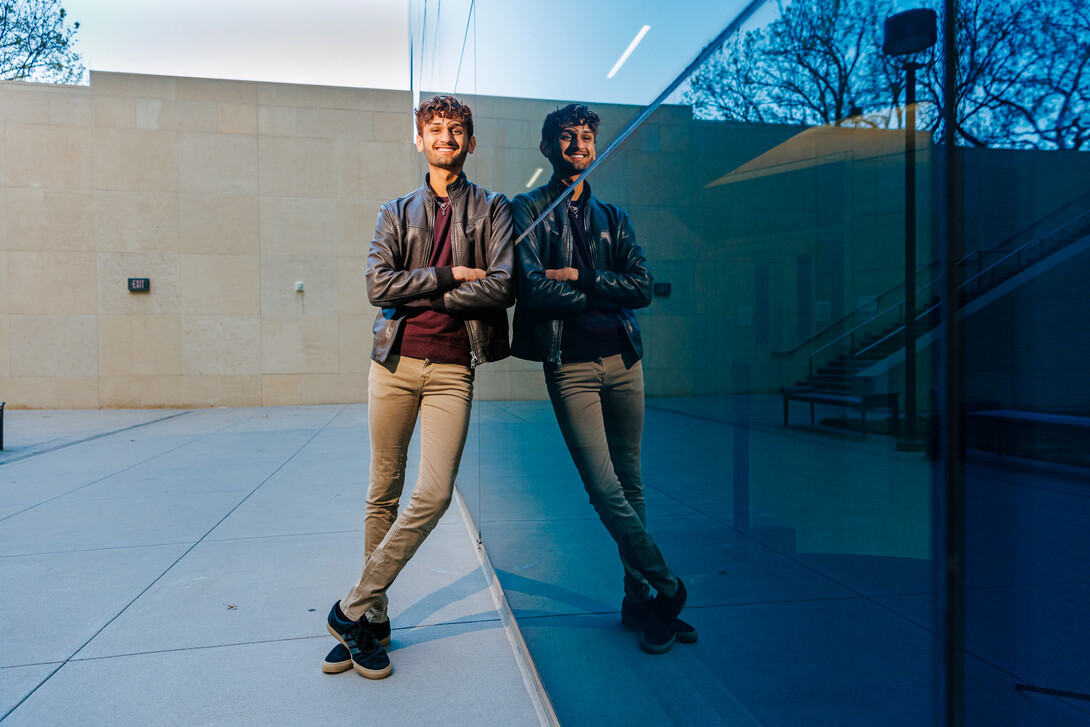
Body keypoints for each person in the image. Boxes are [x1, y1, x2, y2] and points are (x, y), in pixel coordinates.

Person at [324, 95, 514, 679]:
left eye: (457, 131)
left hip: (454, 367)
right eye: (435, 130)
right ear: (419, 140)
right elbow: (377, 285)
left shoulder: (493, 208)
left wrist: (417, 291)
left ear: (471, 142)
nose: (446, 138)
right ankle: (373, 620)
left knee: (432, 495)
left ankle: (349, 607)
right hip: (394, 365)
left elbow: (504, 286)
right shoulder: (394, 211)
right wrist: (452, 275)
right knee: (384, 489)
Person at [511, 103, 696, 654]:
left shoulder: (613, 217)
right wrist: (599, 286)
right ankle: (668, 585)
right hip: (570, 364)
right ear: (547, 148)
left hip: (624, 360)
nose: (578, 147)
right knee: (603, 487)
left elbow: (642, 286)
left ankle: (638, 602)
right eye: (566, 138)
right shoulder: (528, 209)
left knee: (632, 484)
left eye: (587, 138)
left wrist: (580, 276)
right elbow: (530, 289)